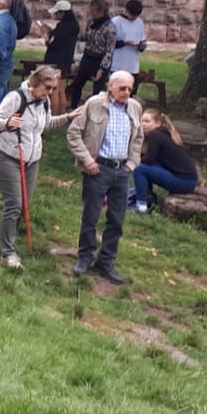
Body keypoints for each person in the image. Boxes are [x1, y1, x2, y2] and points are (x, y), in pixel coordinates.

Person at [0, 64, 71, 269]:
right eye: (47, 87)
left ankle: (7, 236)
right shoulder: (16, 98)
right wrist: (7, 124)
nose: (50, 92)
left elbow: (46, 125)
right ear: (35, 83)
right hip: (8, 156)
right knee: (14, 204)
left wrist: (69, 117)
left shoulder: (44, 102)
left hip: (32, 160)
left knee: (24, 203)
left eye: (53, 88)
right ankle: (7, 252)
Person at [66, 69, 143, 286]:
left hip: (122, 170)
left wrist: (131, 163)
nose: (126, 92)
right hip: (98, 168)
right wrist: (87, 160)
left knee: (117, 219)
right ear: (110, 87)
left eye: (130, 89)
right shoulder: (94, 104)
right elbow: (73, 133)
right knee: (91, 215)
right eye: (122, 88)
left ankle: (106, 261)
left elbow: (139, 138)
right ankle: (85, 256)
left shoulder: (135, 108)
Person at [132, 108, 200, 213]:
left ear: (158, 123)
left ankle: (141, 207)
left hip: (184, 182)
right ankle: (149, 199)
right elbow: (152, 160)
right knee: (146, 167)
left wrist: (131, 160)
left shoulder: (155, 135)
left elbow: (149, 160)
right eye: (142, 121)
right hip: (190, 181)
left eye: (147, 121)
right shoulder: (163, 133)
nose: (143, 124)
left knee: (139, 168)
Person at [68, 0, 116, 107]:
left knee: (97, 90)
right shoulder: (92, 23)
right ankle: (74, 107)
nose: (90, 12)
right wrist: (73, 36)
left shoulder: (109, 28)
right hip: (88, 57)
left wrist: (102, 69)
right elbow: (87, 36)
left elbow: (109, 51)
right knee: (77, 84)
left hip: (99, 60)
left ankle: (95, 110)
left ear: (101, 11)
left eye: (93, 10)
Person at [43, 1, 80, 108]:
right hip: (66, 60)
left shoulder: (63, 27)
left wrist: (46, 36)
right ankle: (61, 113)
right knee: (61, 90)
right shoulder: (74, 25)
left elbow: (53, 44)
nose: (55, 15)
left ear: (62, 13)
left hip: (56, 60)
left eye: (57, 13)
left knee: (54, 90)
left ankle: (54, 114)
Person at [109, 0, 148, 90]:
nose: (133, 18)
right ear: (126, 11)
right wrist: (125, 42)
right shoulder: (116, 22)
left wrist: (142, 46)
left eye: (136, 15)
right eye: (132, 15)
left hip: (132, 65)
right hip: (117, 64)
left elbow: (142, 40)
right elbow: (109, 43)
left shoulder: (139, 22)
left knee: (131, 91)